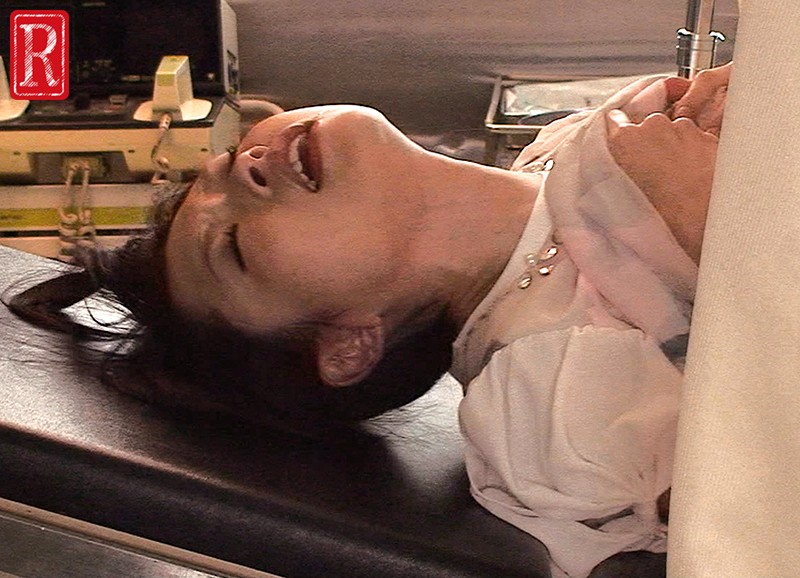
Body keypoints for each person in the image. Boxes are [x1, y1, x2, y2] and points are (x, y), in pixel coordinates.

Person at [5, 62, 731, 577]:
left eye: (224, 163)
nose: (246, 168)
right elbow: (764, 509)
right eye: (232, 247)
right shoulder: (561, 397)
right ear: (348, 344)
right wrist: (728, 236)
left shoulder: (568, 144)